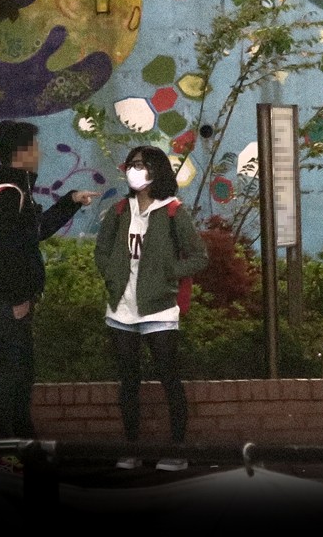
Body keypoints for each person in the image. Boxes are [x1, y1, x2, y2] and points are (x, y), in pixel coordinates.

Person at [0, 120, 99, 456]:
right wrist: (18, 298)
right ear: (22, 151)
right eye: (35, 146)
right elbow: (6, 248)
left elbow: (33, 231)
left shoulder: (4, 186)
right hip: (4, 295)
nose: (39, 152)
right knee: (12, 369)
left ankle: (23, 442)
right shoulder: (9, 191)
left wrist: (71, 200)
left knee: (22, 368)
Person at [94, 145, 208, 471]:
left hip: (159, 309)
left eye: (141, 164)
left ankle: (177, 451)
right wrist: (112, 276)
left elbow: (199, 257)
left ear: (156, 171)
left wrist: (168, 272)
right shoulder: (119, 210)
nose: (134, 170)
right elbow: (101, 251)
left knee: (169, 378)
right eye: (131, 164)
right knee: (128, 381)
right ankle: (132, 449)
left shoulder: (172, 211)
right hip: (121, 308)